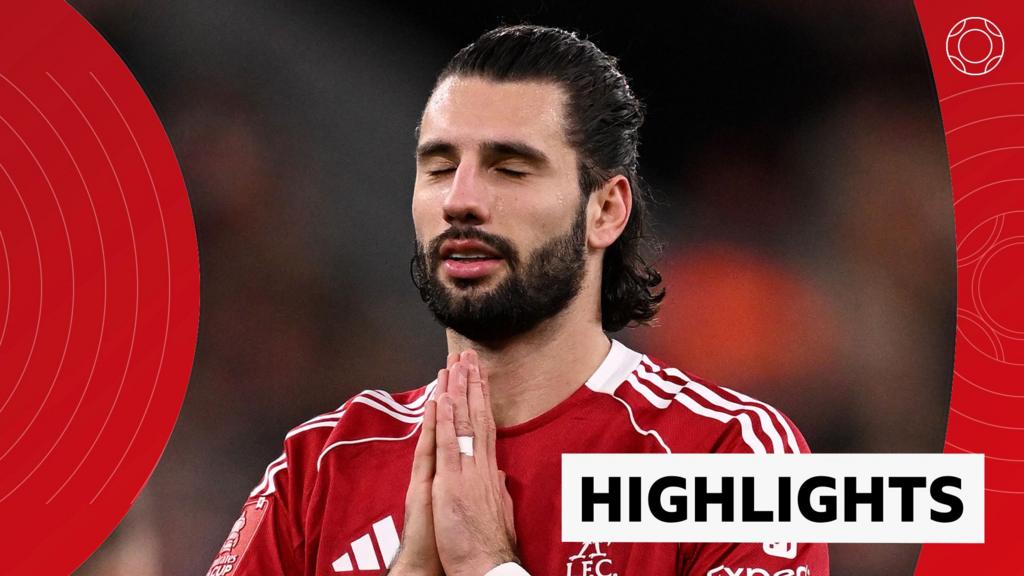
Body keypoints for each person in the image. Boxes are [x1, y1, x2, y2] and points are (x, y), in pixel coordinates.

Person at [206, 24, 829, 576]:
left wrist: (487, 564)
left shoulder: (723, 455)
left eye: (510, 168)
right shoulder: (321, 468)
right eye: (440, 167)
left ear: (605, 211)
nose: (461, 200)